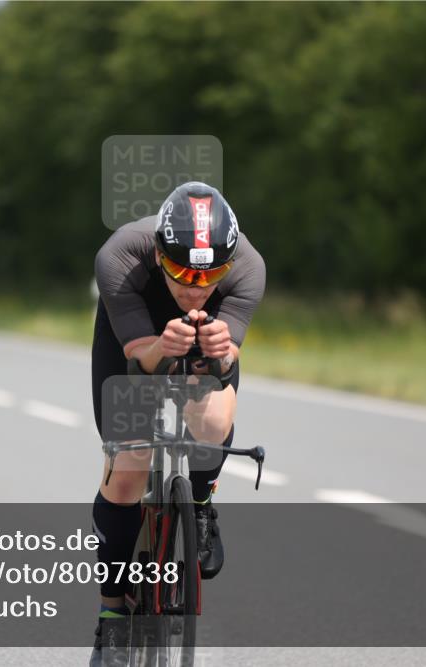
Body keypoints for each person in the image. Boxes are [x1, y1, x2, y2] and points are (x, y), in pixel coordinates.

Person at [89, 182, 265, 664]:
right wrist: (159, 349)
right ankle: (112, 617)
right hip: (137, 342)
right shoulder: (121, 256)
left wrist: (218, 356)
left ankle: (202, 499)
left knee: (210, 419)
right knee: (127, 469)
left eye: (212, 274)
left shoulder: (249, 267)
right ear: (158, 253)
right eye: (181, 270)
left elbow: (226, 365)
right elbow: (138, 363)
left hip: (207, 343)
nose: (195, 286)